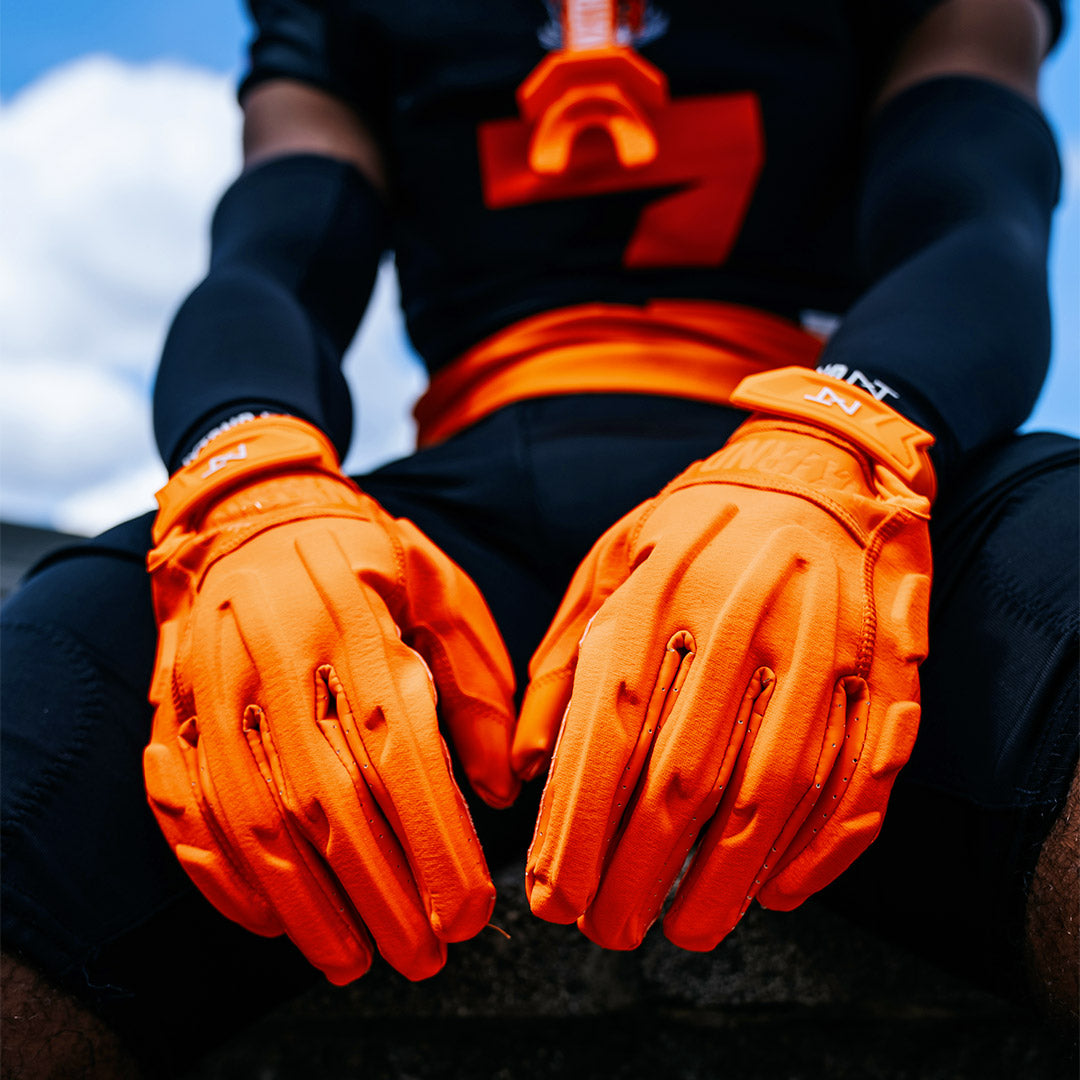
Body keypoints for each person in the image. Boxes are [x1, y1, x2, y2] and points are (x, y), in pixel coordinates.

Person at [2, 0, 1076, 1073]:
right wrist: (249, 477)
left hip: (822, 464)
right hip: (455, 535)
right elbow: (276, 250)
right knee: (50, 691)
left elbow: (975, 204)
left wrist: (839, 438)